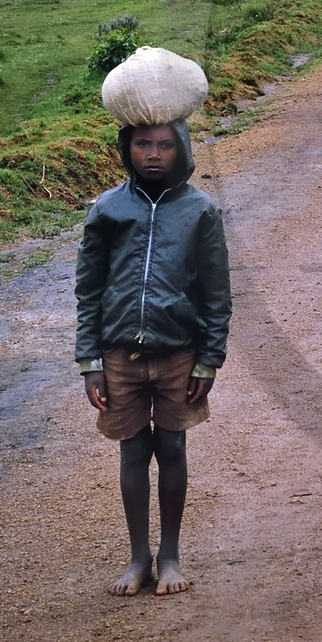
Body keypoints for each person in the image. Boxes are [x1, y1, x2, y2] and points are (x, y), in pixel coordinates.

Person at [76, 118, 233, 596]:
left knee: (172, 449)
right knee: (132, 452)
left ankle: (170, 555)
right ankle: (138, 556)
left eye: (165, 145)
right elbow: (89, 290)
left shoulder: (200, 211)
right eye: (143, 144)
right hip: (119, 353)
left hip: (179, 354)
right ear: (127, 148)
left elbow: (216, 293)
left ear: (181, 149)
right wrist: (90, 361)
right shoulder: (108, 208)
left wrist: (208, 359)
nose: (153, 154)